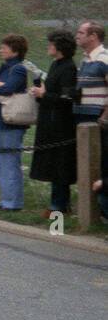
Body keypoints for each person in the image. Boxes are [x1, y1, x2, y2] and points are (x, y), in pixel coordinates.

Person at [29, 30, 79, 219]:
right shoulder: (56, 64)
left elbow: (67, 98)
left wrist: (44, 95)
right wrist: (42, 93)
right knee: (53, 164)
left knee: (60, 165)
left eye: (51, 44)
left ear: (60, 46)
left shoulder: (68, 68)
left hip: (61, 124)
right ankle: (57, 202)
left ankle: (59, 205)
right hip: (49, 121)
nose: (48, 46)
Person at [0, 34, 31, 211]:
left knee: (10, 159)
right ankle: (5, 198)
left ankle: (13, 201)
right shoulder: (4, 67)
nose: (1, 49)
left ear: (15, 50)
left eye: (5, 47)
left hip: (10, 118)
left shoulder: (18, 69)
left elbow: (9, 88)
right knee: (0, 158)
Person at [73, 21, 108, 220]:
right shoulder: (85, 60)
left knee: (100, 163)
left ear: (93, 36)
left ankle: (101, 210)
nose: (77, 36)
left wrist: (104, 116)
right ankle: (90, 209)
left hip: (98, 120)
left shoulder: (104, 58)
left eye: (81, 32)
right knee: (87, 164)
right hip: (82, 117)